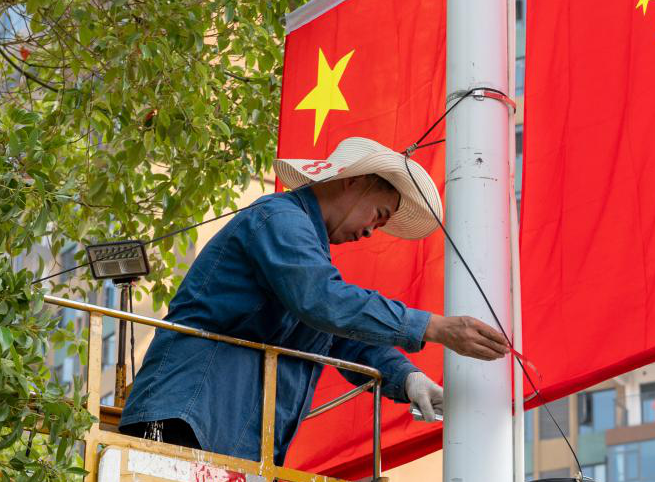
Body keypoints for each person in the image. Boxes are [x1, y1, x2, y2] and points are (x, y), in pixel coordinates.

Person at [119, 137, 508, 461]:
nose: (372, 231)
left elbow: (339, 333)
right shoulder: (279, 219)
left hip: (226, 436)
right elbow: (323, 301)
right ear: (354, 181)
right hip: (186, 419)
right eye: (379, 214)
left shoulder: (301, 245)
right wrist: (433, 326)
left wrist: (408, 378)